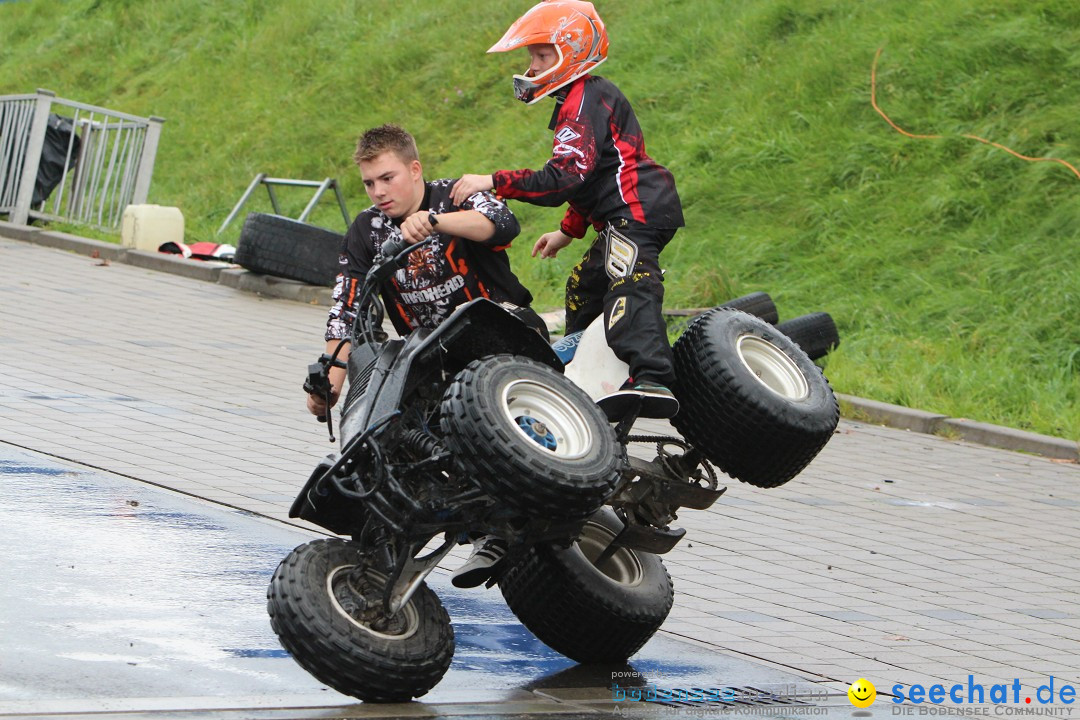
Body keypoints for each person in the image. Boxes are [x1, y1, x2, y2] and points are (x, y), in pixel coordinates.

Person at [305, 123, 545, 588]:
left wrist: (436, 222)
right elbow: (345, 307)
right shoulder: (366, 229)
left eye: (388, 178)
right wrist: (329, 380)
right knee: (394, 426)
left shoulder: (456, 195)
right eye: (370, 183)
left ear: (414, 170)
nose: (378, 192)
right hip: (433, 355)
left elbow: (502, 223)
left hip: (503, 331)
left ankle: (500, 522)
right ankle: (403, 536)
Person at [451, 0, 685, 420]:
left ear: (572, 52)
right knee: (584, 285)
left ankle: (652, 377)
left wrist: (494, 180)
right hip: (618, 212)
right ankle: (587, 366)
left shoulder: (586, 98)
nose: (533, 65)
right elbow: (588, 178)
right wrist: (567, 232)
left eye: (543, 56)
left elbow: (563, 178)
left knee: (628, 276)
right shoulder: (575, 102)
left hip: (638, 208)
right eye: (532, 56)